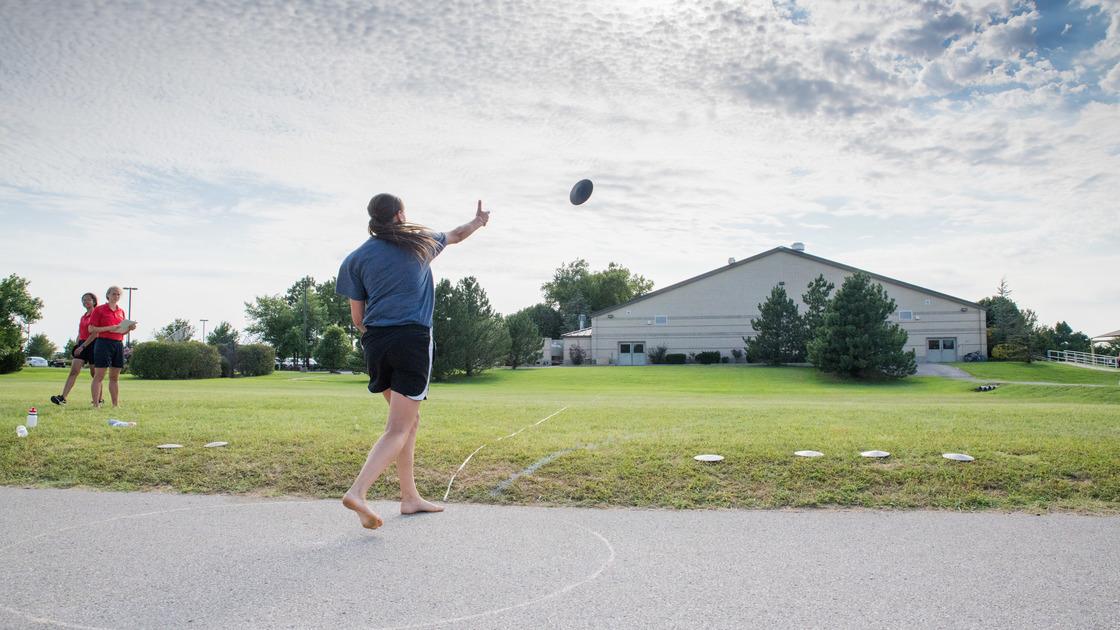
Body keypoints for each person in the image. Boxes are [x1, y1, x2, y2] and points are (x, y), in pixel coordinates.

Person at [335, 193, 489, 530]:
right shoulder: (419, 243)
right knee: (398, 428)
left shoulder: (355, 259)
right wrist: (479, 221)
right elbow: (458, 234)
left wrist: (381, 332)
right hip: (412, 341)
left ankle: (410, 498)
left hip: (376, 343)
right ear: (401, 214)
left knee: (409, 422)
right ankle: (358, 492)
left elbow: (358, 318)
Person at [87, 286, 137, 408]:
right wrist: (109, 328)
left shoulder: (121, 311)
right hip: (103, 342)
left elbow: (121, 331)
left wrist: (129, 329)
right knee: (99, 375)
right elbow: (91, 329)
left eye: (118, 294)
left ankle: (115, 404)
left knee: (114, 377)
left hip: (118, 343)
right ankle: (96, 404)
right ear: (108, 295)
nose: (116, 296)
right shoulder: (99, 310)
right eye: (113, 294)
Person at [51, 293, 103, 406]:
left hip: (94, 343)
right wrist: (77, 345)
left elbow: (95, 333)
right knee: (74, 371)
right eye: (83, 300)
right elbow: (80, 333)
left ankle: (99, 398)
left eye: (88, 299)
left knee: (95, 374)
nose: (85, 302)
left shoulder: (97, 313)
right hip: (81, 344)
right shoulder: (83, 316)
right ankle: (63, 398)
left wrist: (83, 346)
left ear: (94, 301)